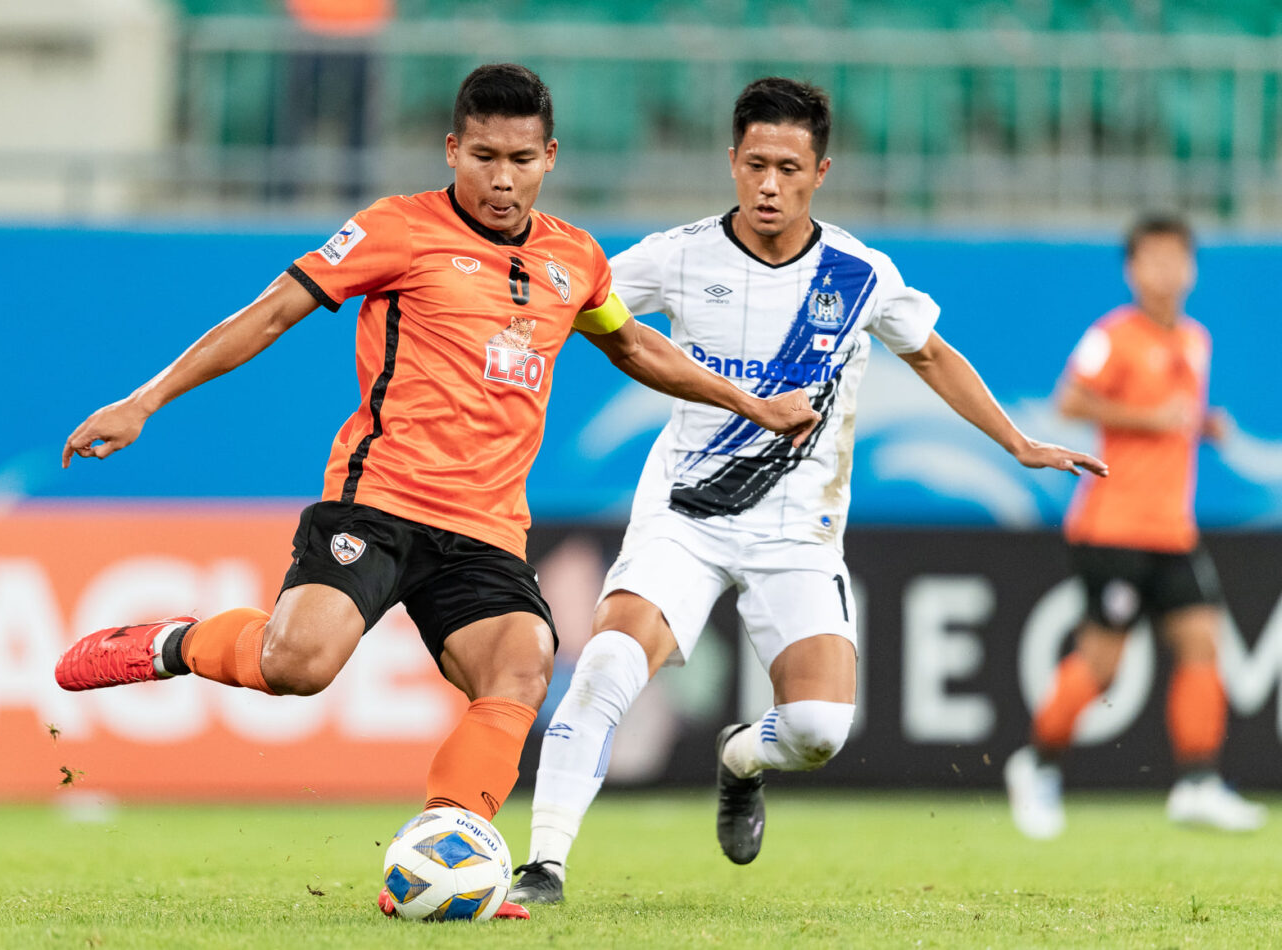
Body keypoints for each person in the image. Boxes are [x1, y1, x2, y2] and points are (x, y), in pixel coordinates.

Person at [53, 63, 820, 919]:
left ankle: (447, 864)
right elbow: (270, 313)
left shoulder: (576, 258)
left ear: (550, 156)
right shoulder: (397, 231)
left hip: (487, 530)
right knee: (297, 665)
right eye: (483, 155)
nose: (501, 178)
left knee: (523, 664)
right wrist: (144, 400)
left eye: (521, 158)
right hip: (379, 501)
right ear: (452, 148)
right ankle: (173, 643)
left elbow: (635, 346)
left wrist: (750, 403)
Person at [509, 77, 1105, 905]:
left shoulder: (859, 274)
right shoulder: (678, 255)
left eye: (789, 167)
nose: (769, 185)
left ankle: (739, 759)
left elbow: (931, 355)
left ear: (820, 171)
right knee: (608, 660)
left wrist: (1017, 442)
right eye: (755, 164)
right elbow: (571, 302)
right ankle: (543, 865)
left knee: (821, 731)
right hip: (684, 516)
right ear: (731, 161)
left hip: (798, 534)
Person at [1003, 215, 1265, 839]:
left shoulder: (1196, 341)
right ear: (1132, 269)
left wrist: (1202, 426)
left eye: (1178, 259)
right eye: (1153, 259)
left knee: (1203, 643)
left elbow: (1176, 417)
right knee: (1102, 663)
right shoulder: (1112, 336)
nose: (1167, 271)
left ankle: (1199, 784)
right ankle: (1035, 766)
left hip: (1172, 529)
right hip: (1113, 523)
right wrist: (1148, 417)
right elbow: (1069, 400)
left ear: (1192, 268)